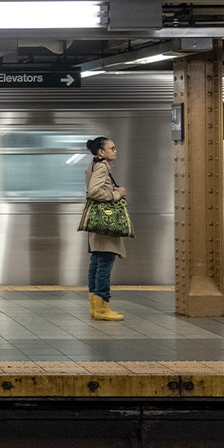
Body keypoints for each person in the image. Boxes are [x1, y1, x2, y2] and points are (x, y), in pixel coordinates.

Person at [85, 136, 126, 321]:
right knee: (104, 263)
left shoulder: (93, 165)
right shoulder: (102, 167)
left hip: (97, 220)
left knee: (96, 262)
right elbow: (94, 191)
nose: (115, 150)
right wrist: (116, 194)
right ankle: (103, 308)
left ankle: (96, 307)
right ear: (101, 152)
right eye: (112, 148)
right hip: (105, 222)